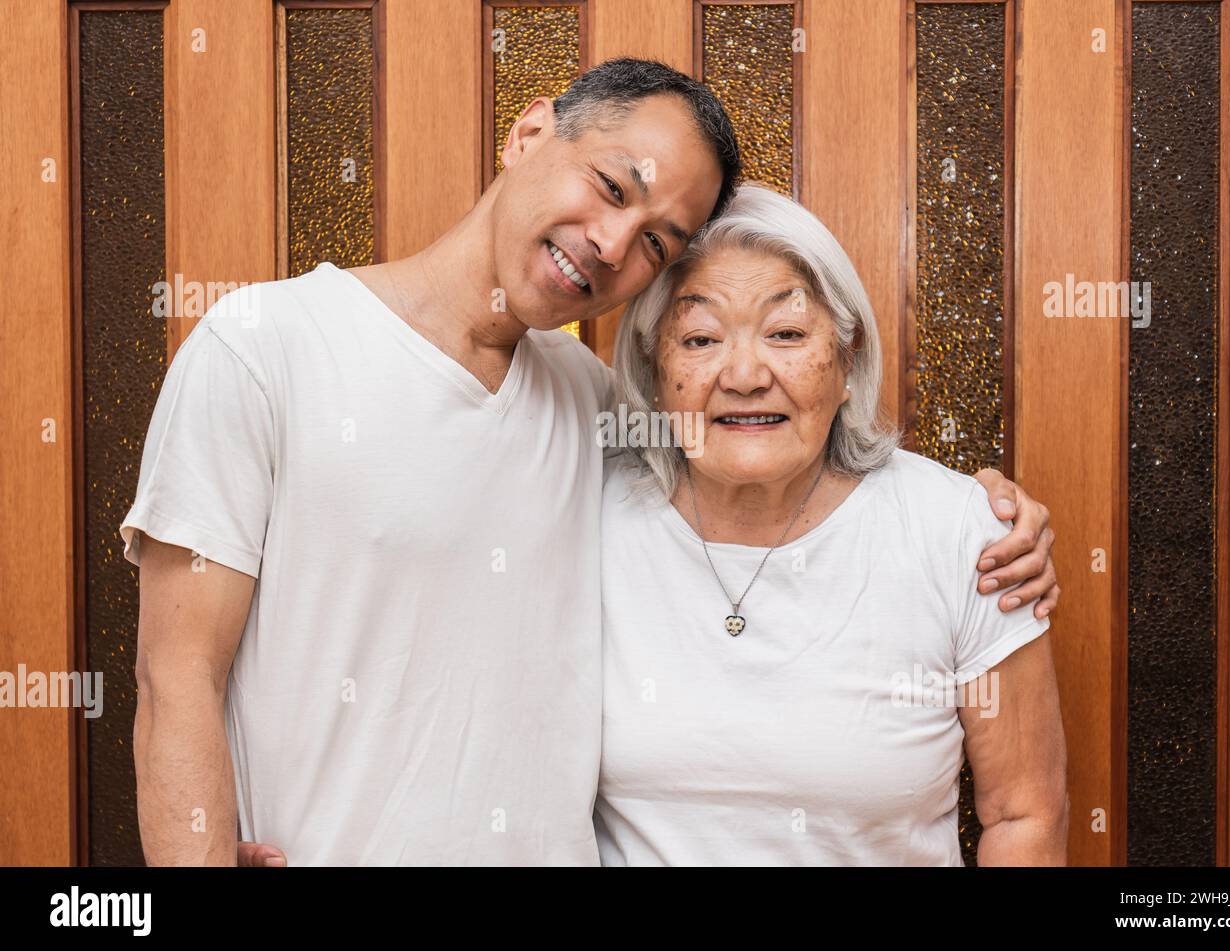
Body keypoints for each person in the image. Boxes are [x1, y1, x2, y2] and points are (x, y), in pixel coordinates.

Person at [125, 59, 1057, 866]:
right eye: (613, 187)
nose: (613, 243)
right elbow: (178, 681)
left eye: (655, 240)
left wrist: (989, 515)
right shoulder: (265, 347)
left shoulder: (594, 407)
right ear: (530, 131)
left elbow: (765, 434)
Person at [594, 183, 1067, 865]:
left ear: (847, 359)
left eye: (786, 334)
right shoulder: (585, 514)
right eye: (701, 338)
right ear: (655, 368)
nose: (746, 373)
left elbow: (1025, 812)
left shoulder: (964, 533)